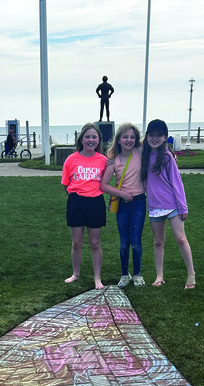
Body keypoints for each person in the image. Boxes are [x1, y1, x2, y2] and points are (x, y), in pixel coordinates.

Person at [142, 119, 195, 289]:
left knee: (180, 238)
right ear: (147, 136)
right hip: (155, 206)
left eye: (159, 135)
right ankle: (159, 276)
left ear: (165, 137)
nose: (155, 138)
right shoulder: (143, 155)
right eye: (152, 135)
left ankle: (191, 274)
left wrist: (183, 206)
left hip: (172, 204)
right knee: (158, 241)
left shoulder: (167, 156)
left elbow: (176, 182)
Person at [61, 122, 107, 290]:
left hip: (96, 203)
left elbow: (108, 182)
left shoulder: (103, 160)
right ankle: (76, 273)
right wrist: (76, 197)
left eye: (94, 137)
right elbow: (65, 184)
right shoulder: (71, 159)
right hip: (76, 203)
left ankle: (97, 278)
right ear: (81, 139)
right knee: (77, 242)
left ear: (98, 140)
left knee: (95, 243)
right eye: (87, 137)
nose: (90, 140)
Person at [101, 122, 146, 287]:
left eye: (132, 137)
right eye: (125, 137)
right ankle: (124, 274)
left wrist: (170, 151)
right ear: (118, 139)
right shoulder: (113, 160)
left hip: (140, 203)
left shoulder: (139, 151)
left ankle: (137, 274)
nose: (129, 140)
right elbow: (104, 185)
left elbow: (156, 144)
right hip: (123, 205)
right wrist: (122, 194)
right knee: (124, 241)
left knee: (136, 241)